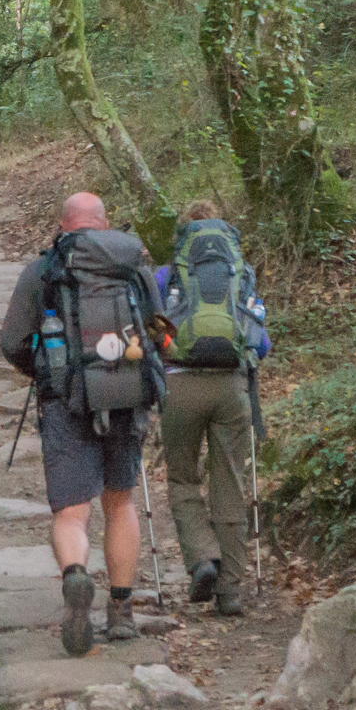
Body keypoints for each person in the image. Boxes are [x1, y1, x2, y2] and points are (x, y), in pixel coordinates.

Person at [0, 192, 164, 655]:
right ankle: (122, 611)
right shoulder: (132, 266)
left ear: (64, 225)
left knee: (72, 512)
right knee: (120, 502)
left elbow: (11, 339)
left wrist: (43, 372)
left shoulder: (44, 270)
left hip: (66, 402)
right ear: (104, 223)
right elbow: (159, 331)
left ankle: (75, 574)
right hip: (127, 397)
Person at [157, 202, 270, 617]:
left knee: (184, 478)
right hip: (231, 389)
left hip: (180, 385)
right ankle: (231, 591)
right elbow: (260, 342)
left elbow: (153, 329)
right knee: (231, 484)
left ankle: (203, 558)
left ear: (183, 235)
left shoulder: (167, 275)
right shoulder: (242, 273)